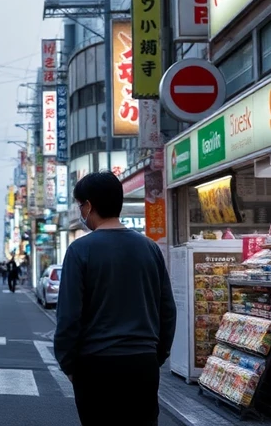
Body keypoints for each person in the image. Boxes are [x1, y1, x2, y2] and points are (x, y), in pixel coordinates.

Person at [54, 171, 176, 426]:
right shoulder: (149, 248)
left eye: (80, 206)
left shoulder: (80, 250)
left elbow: (68, 316)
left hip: (95, 365)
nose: (81, 211)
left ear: (89, 206)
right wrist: (157, 356)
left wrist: (68, 364)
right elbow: (167, 310)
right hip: (143, 363)